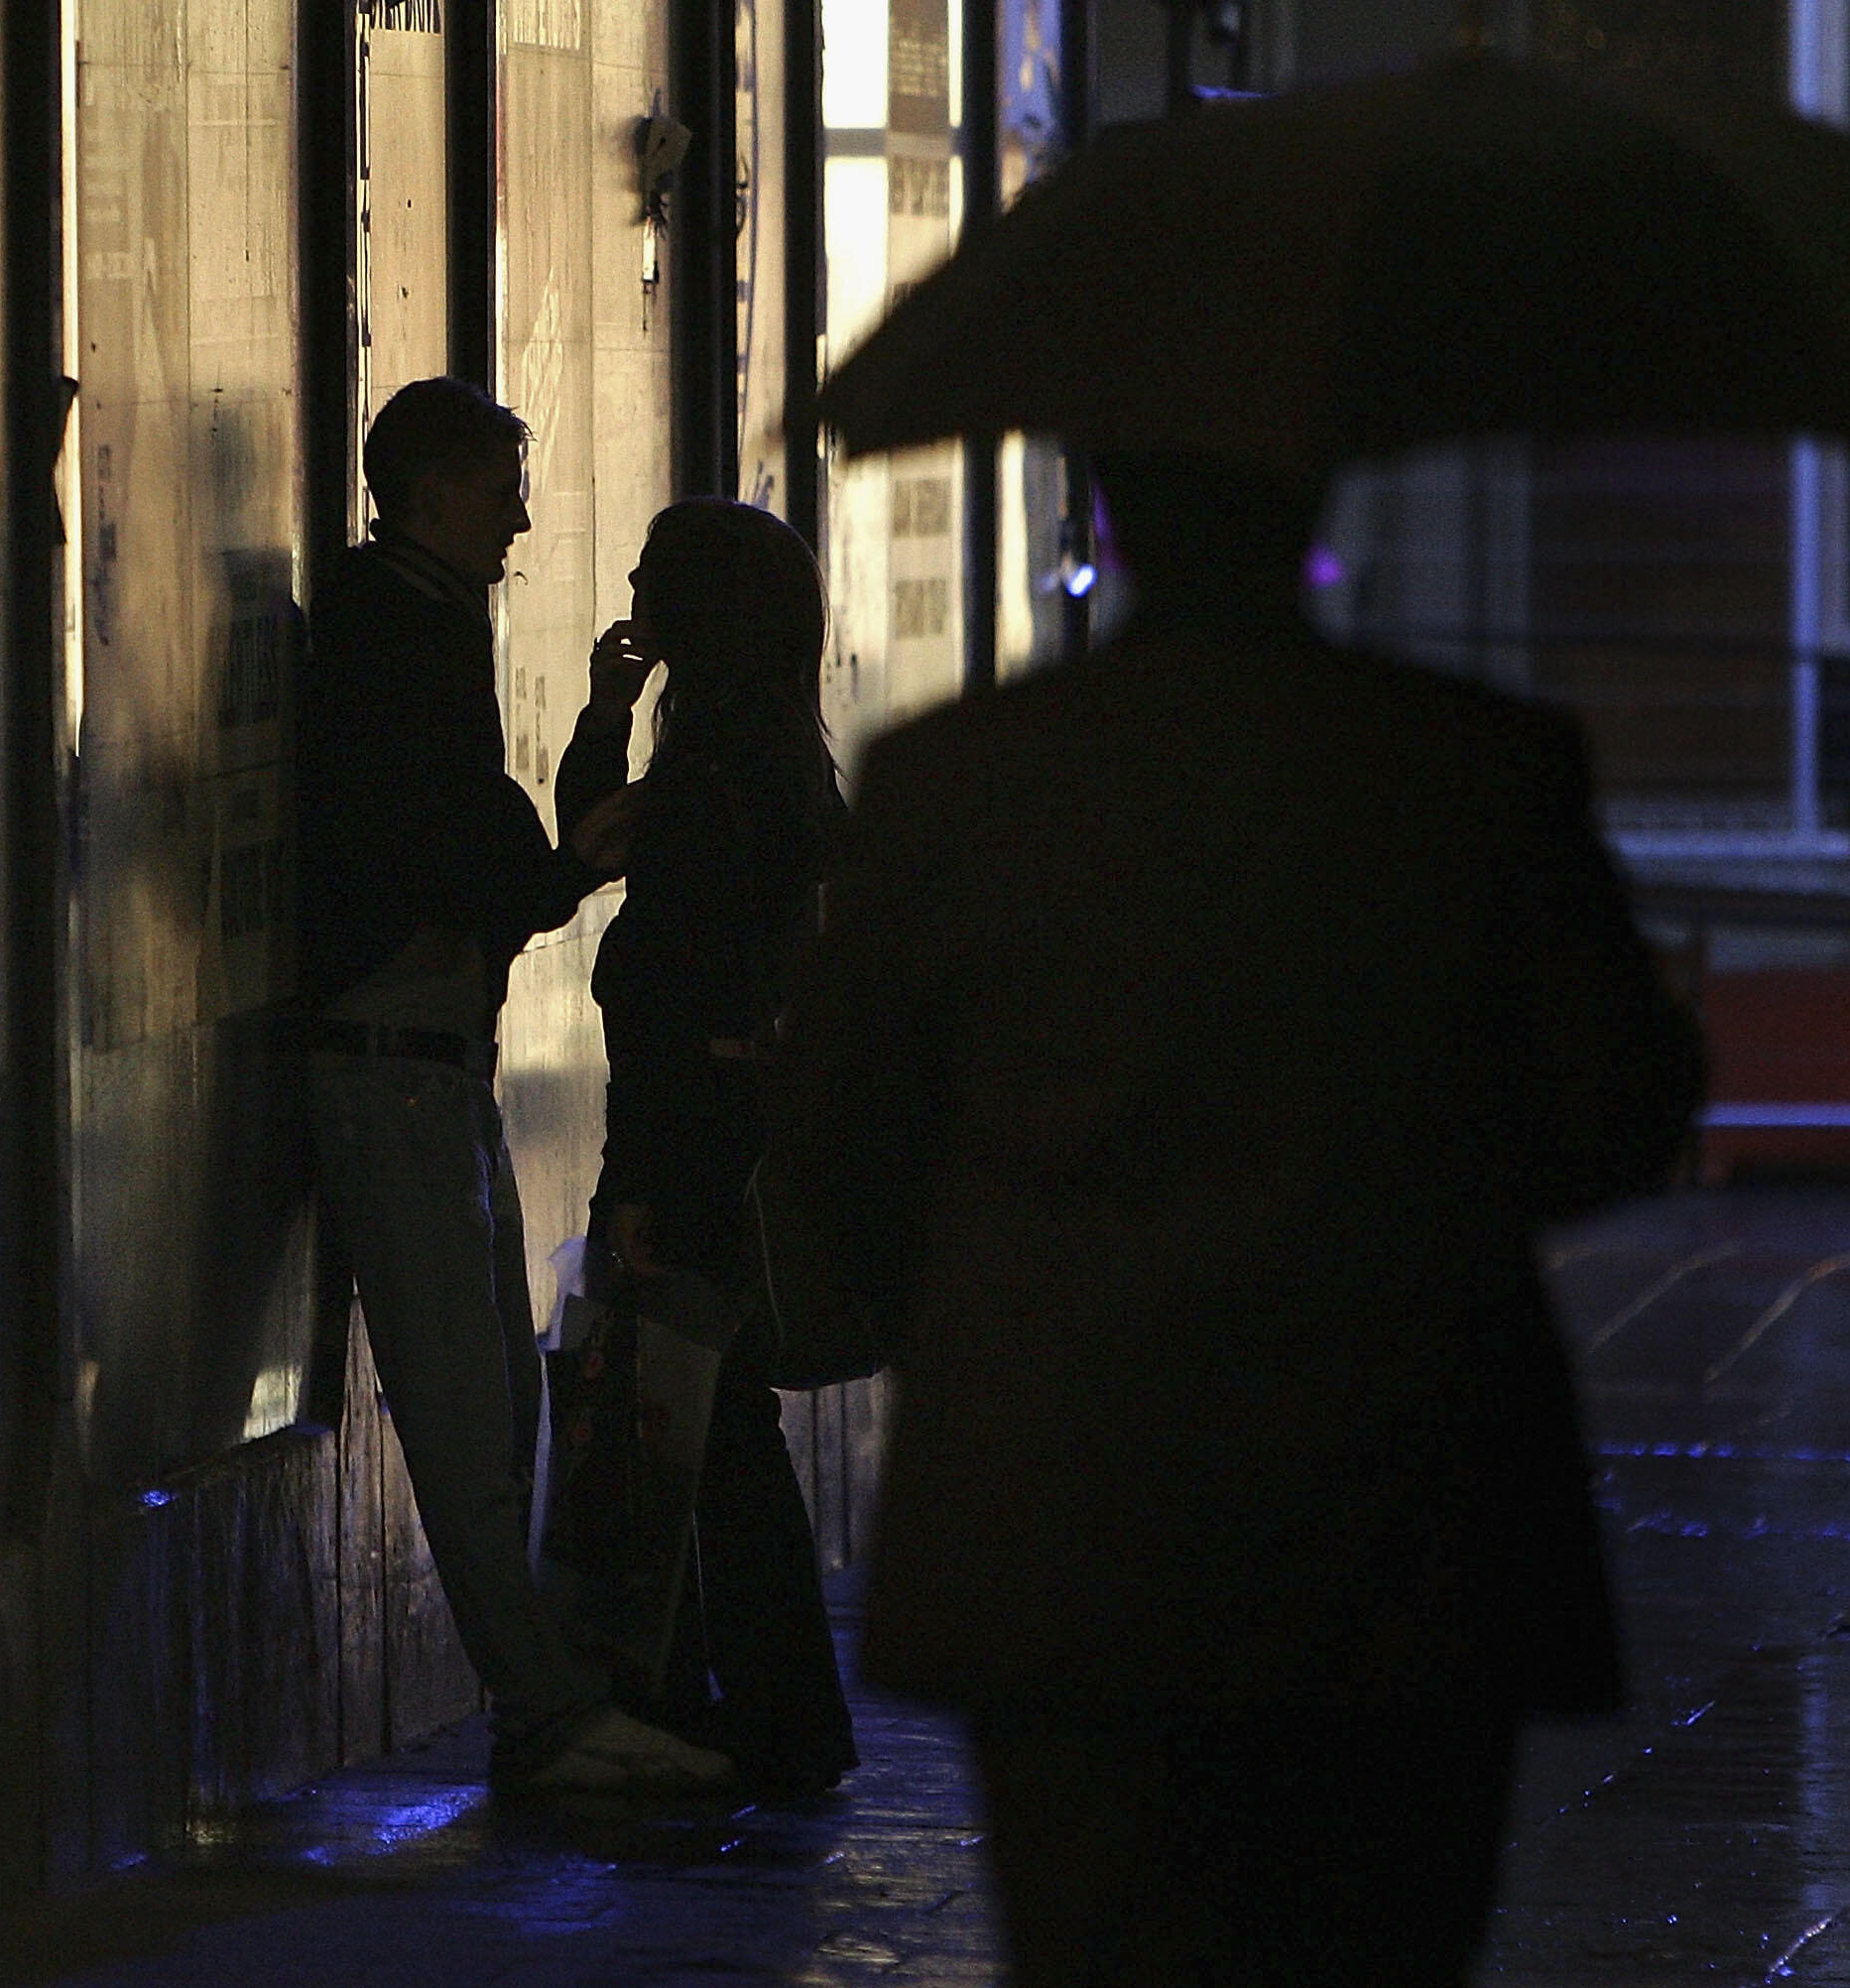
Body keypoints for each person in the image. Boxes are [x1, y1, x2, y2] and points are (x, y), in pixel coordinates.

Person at [764, 451, 1703, 1984]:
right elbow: (1613, 1119)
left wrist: (997, 1299)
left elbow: (842, 1151)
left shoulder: (961, 776)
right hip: (1404, 1509)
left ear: (1115, 514)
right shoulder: (1474, 764)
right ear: (1315, 506)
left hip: (1070, 1513)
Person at [297, 376, 733, 1797]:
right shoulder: (397, 634)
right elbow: (450, 842)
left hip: (436, 1064)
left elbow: (468, 838)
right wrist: (561, 869)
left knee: (498, 1405)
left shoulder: (416, 620)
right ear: (427, 500)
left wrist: (553, 852)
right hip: (399, 1065)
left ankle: (549, 1702)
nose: (522, 522)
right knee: (469, 1416)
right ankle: (547, 1715)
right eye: (499, 493)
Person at [549, 499, 859, 1797]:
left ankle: (767, 1716)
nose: (627, 594)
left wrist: (638, 1187)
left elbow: (638, 952)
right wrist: (613, 713)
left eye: (648, 584)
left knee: (706, 1428)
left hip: (695, 1142)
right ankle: (751, 1707)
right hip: (749, 1137)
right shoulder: (783, 766)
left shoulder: (709, 790)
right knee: (717, 1424)